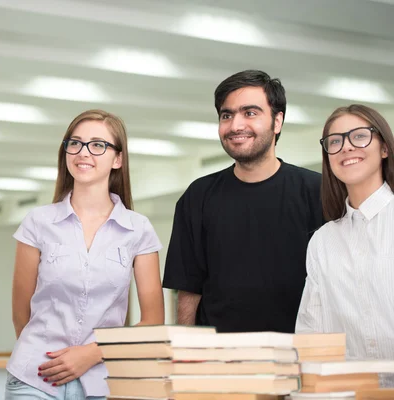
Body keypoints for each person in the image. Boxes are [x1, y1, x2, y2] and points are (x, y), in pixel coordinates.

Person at [6, 109, 165, 399]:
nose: (83, 152)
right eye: (75, 143)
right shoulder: (37, 222)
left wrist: (92, 354)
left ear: (118, 159)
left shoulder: (138, 229)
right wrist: (43, 352)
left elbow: (152, 320)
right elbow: (21, 312)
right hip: (36, 377)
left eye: (98, 145)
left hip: (104, 381)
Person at [162, 70, 323, 333]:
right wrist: (187, 356)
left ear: (277, 121)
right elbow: (189, 289)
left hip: (298, 356)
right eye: (227, 115)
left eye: (250, 113)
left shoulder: (317, 192)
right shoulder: (198, 196)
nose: (236, 125)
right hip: (219, 361)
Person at [296, 104, 394, 386]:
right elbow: (311, 335)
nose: (346, 148)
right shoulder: (323, 242)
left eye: (360, 136)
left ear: (384, 148)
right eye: (335, 142)